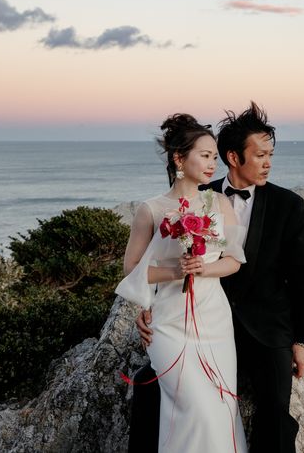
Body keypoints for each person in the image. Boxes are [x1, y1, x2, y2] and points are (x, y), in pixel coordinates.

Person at [132, 102, 304, 453]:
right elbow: (161, 256)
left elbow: (302, 277)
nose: (268, 163)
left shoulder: (288, 205)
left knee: (275, 408)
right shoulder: (200, 194)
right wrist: (147, 306)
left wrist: (301, 341)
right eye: (260, 155)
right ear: (233, 157)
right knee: (147, 383)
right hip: (203, 321)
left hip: (266, 330)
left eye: (270, 155)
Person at [115, 113, 248, 453]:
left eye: (214, 156)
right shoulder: (151, 210)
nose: (212, 163)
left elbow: (234, 260)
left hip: (214, 320)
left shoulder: (219, 203)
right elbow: (132, 270)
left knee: (219, 409)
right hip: (169, 322)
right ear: (179, 158)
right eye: (205, 155)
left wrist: (203, 268)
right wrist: (176, 271)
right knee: (192, 408)